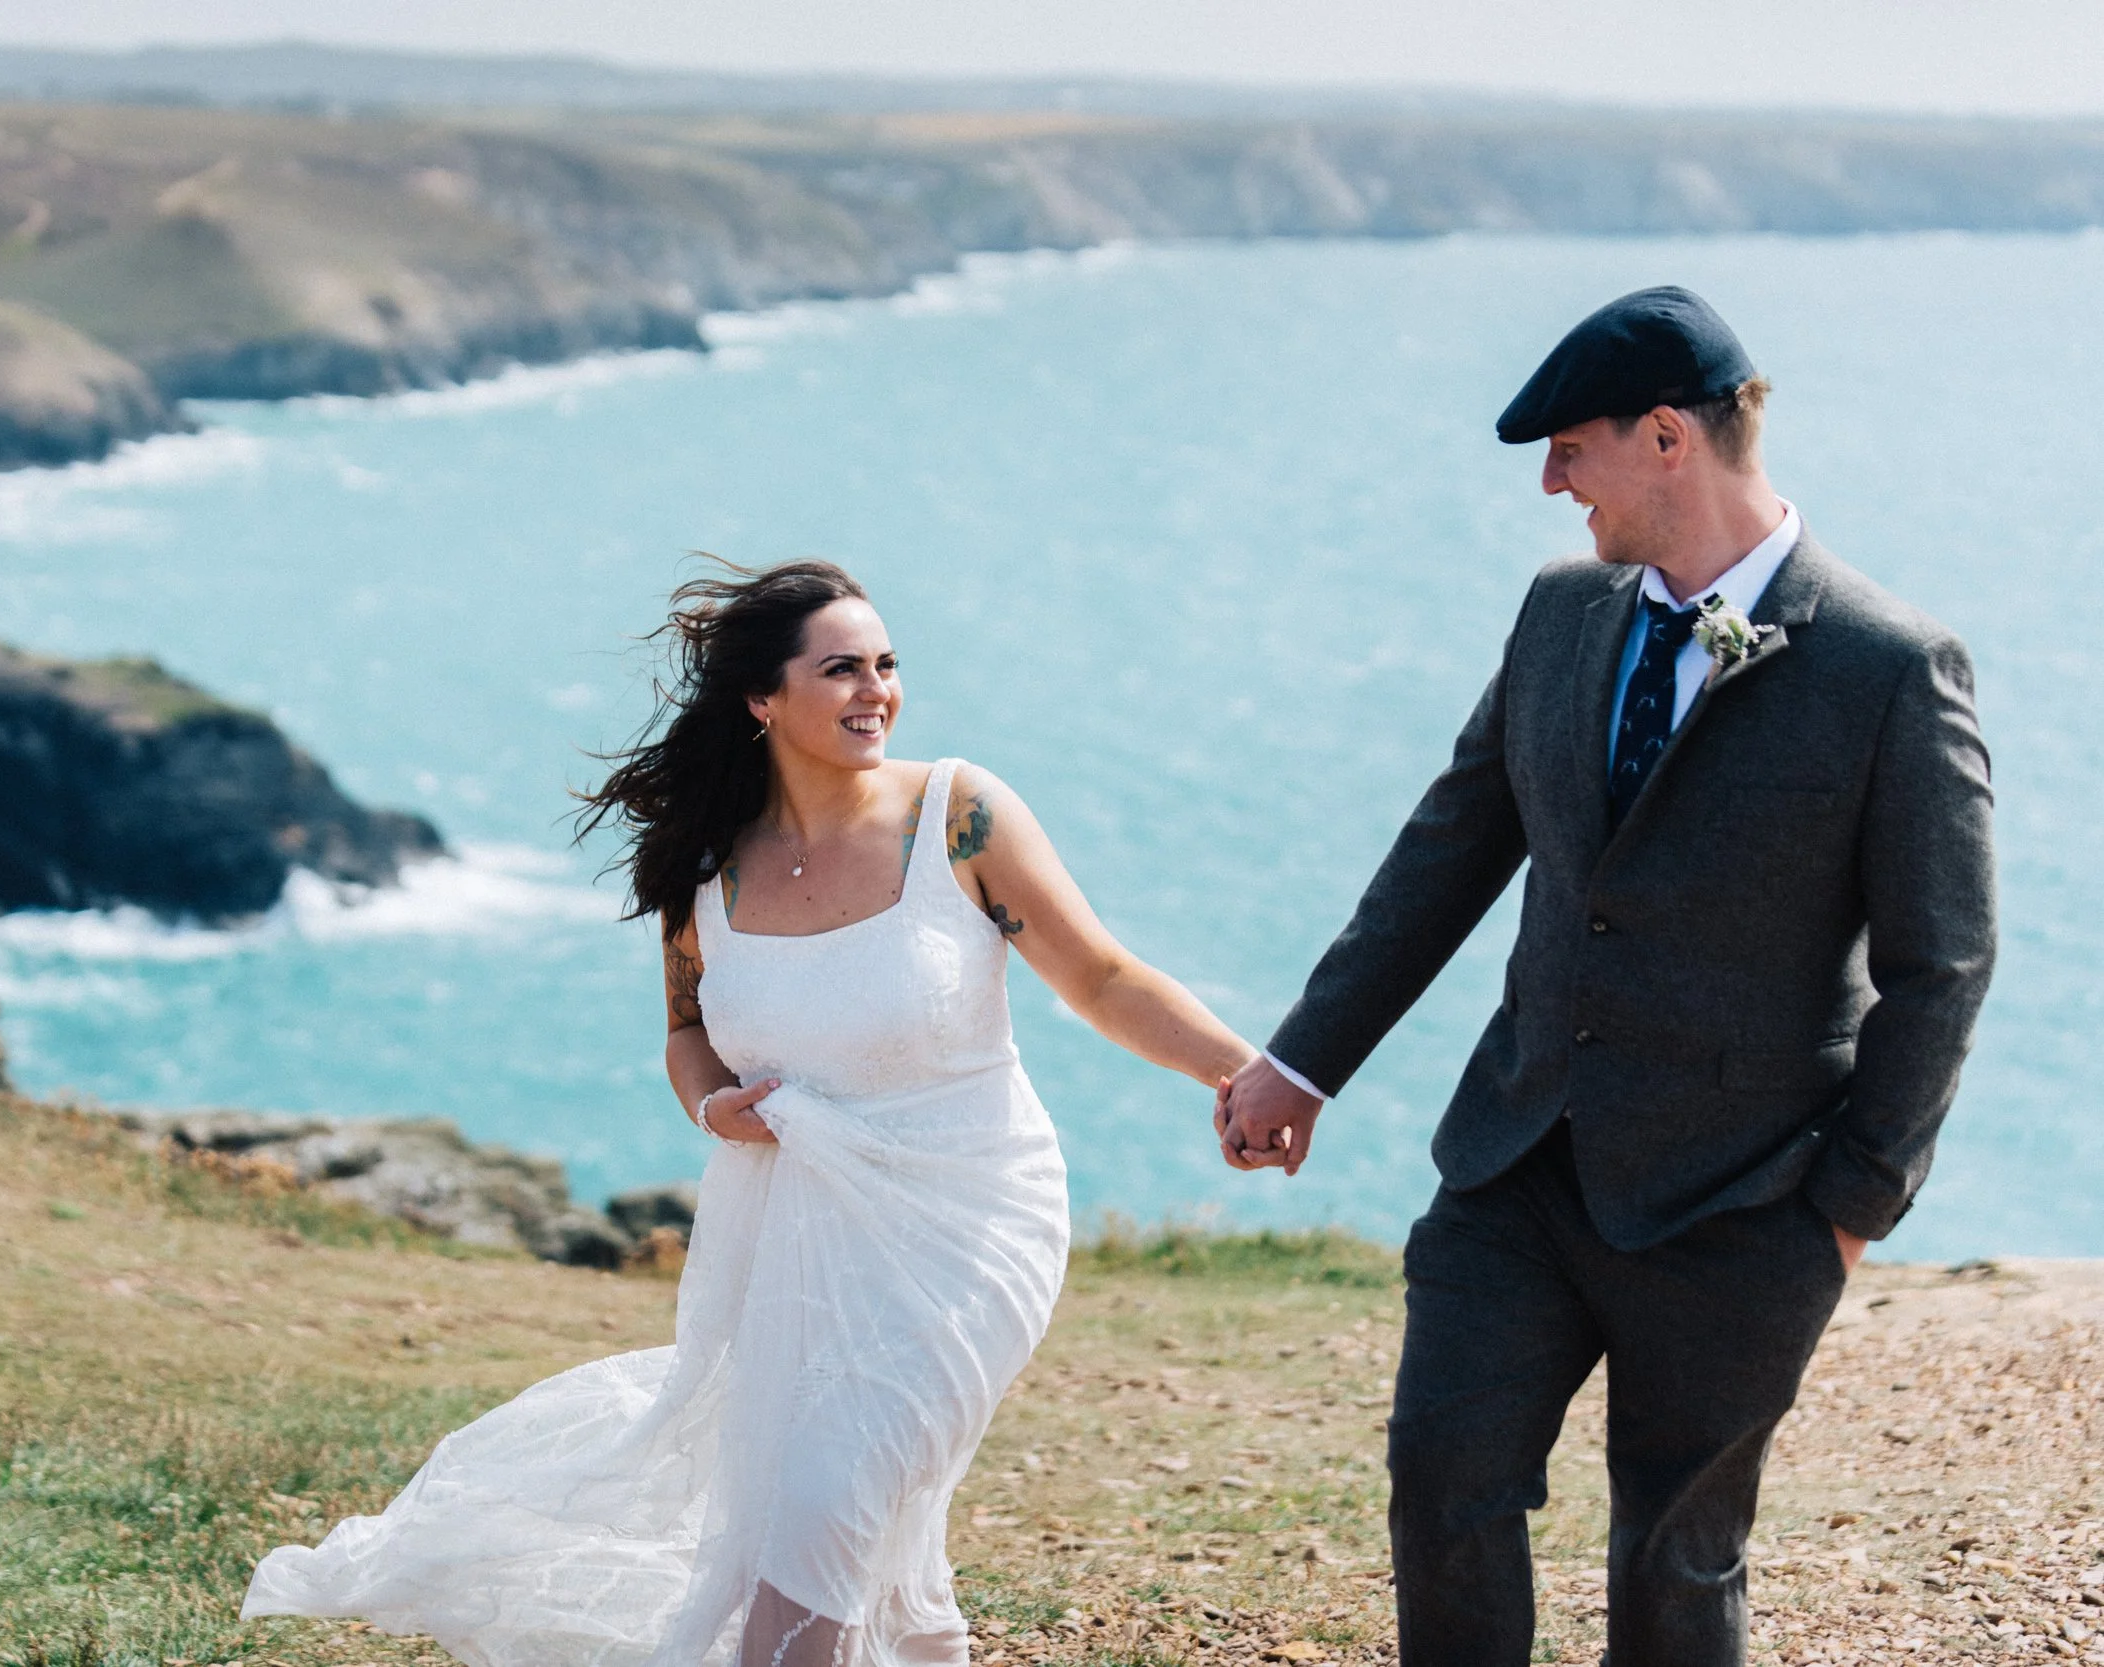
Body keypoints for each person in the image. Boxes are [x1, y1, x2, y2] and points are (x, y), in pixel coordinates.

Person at [242, 559, 1261, 1667]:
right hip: (795, 1232)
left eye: (885, 663)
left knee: (830, 1487)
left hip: (970, 1220)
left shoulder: (956, 815)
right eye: (840, 668)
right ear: (762, 699)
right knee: (824, 1502)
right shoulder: (705, 866)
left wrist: (1242, 1069)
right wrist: (710, 1106)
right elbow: (685, 1029)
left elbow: (1101, 976)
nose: (876, 689)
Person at [1215, 286, 1997, 1666]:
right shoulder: (1561, 614)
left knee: (1673, 1563)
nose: (1550, 480)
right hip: (1515, 1163)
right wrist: (1302, 1056)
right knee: (1442, 1483)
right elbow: (1448, 849)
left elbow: (1944, 962)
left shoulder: (1889, 666)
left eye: (1570, 446)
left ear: (1664, 438)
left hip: (1741, 1202)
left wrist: (1850, 1207)